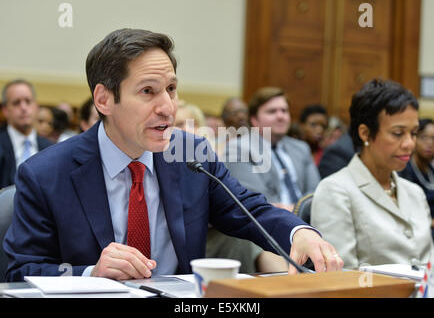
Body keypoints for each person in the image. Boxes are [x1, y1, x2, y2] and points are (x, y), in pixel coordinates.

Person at [3, 29, 342, 282]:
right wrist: (90, 272)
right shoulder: (46, 173)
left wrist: (299, 232)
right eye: (148, 91)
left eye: (171, 89)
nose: (167, 107)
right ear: (104, 100)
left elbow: (248, 209)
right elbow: (20, 271)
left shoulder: (190, 154)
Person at [311, 79, 434, 269]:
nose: (410, 143)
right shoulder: (335, 191)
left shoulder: (414, 192)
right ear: (365, 133)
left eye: (414, 133)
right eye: (398, 133)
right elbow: (341, 279)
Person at [175, 102, 287, 273]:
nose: (188, 129)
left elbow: (235, 201)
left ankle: (287, 286)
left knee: (253, 233)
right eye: (179, 124)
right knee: (243, 239)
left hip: (217, 229)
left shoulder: (210, 157)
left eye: (193, 123)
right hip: (191, 240)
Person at [225, 86, 320, 212]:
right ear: (254, 120)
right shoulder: (238, 149)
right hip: (268, 225)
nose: (280, 116)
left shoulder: (301, 148)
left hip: (308, 221)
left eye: (284, 110)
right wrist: (299, 211)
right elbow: (257, 201)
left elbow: (316, 193)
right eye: (272, 111)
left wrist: (300, 211)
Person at [0, 79, 53, 189]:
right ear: (5, 110)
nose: (23, 108)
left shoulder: (51, 148)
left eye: (28, 101)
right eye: (16, 103)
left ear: (35, 106)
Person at [400, 118, 434, 239]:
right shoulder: (404, 170)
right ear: (414, 139)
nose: (430, 143)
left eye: (433, 138)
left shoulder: (431, 170)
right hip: (417, 232)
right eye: (424, 137)